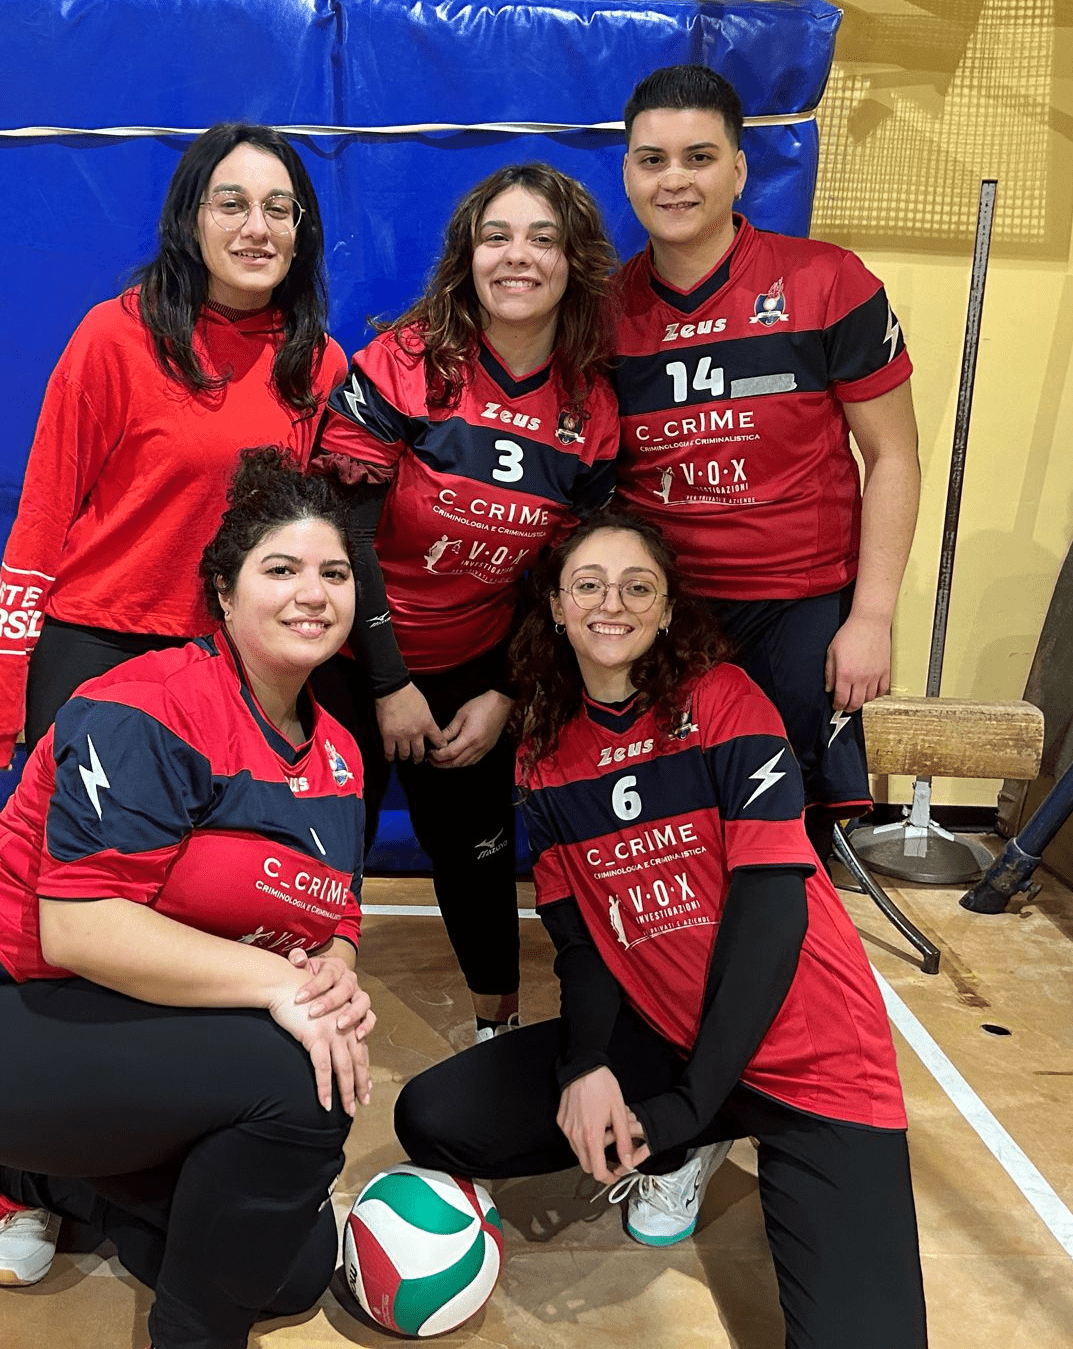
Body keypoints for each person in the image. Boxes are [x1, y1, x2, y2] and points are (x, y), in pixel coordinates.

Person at [395, 510, 927, 1349]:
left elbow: (769, 914)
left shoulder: (725, 701)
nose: (613, 603)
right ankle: (695, 1130)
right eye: (589, 585)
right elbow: (582, 943)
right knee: (435, 1116)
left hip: (808, 1050)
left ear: (668, 608)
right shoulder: (542, 747)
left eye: (637, 586)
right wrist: (589, 1063)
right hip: (666, 1037)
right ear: (558, 607)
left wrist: (688, 1106)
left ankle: (699, 1139)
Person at [0, 448, 374, 1349]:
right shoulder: (147, 707)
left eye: (334, 572)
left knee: (291, 1261)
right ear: (224, 592)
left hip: (119, 1014)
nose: (312, 592)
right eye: (279, 570)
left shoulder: (340, 755)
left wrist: (332, 980)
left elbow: (337, 916)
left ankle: (34, 1177)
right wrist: (281, 989)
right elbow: (82, 928)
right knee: (296, 1088)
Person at [310, 163, 619, 1042]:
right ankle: (280, 1042)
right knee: (315, 863)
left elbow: (565, 582)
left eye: (542, 238)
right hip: (346, 664)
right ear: (465, 257)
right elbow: (341, 547)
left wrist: (510, 694)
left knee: (479, 859)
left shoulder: (592, 408)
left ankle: (497, 1039)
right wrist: (386, 682)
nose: (516, 256)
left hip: (475, 670)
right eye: (497, 236)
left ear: (573, 263)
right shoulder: (402, 365)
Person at [0, 122, 346, 769]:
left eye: (277, 208)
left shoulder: (319, 366)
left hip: (235, 662)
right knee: (84, 865)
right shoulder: (115, 336)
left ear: (299, 230)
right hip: (97, 646)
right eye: (231, 204)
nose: (257, 226)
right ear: (190, 218)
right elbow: (44, 510)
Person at [612, 65, 921, 862]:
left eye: (698, 156)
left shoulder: (830, 282)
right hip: (668, 616)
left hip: (799, 608)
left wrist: (872, 618)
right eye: (651, 159)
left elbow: (891, 456)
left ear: (740, 169)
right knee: (679, 834)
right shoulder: (601, 314)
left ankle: (795, 983)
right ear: (626, 171)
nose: (673, 179)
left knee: (792, 843)